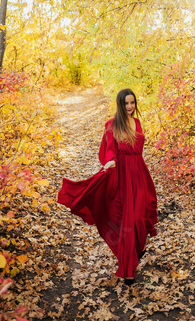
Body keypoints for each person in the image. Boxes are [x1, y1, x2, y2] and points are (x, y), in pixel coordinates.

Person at [57, 88, 158, 285]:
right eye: (126, 103)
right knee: (128, 221)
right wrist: (110, 161)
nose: (130, 107)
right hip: (122, 176)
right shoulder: (111, 125)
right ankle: (128, 270)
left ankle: (137, 250)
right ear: (120, 105)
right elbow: (110, 149)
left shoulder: (137, 122)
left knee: (142, 216)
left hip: (140, 175)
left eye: (132, 103)